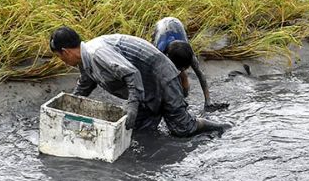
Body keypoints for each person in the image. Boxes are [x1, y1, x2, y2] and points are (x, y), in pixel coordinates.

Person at [48, 26, 229, 136]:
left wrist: (132, 107)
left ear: (65, 51)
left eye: (60, 57)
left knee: (182, 129)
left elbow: (131, 74)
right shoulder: (86, 59)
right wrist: (66, 111)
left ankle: (222, 126)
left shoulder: (97, 53)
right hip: (145, 87)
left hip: (162, 77)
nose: (63, 61)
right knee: (139, 131)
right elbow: (85, 85)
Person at [152, 16, 226, 115]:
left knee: (183, 77)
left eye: (185, 68)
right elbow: (155, 77)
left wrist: (208, 102)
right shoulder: (159, 53)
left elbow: (201, 75)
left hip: (177, 26)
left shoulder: (189, 54)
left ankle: (183, 94)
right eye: (181, 68)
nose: (183, 69)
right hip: (160, 27)